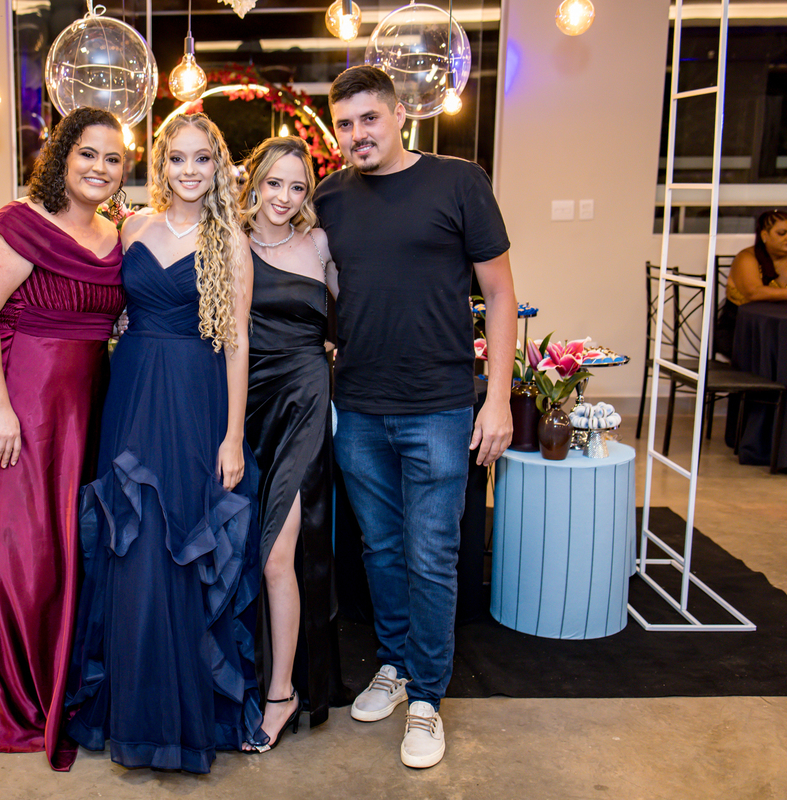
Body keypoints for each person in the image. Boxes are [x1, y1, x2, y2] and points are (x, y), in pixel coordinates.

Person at [314, 65, 516, 769]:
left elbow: (499, 294)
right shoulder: (329, 197)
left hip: (438, 405)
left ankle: (427, 696)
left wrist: (497, 398)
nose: (357, 134)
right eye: (344, 123)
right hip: (359, 406)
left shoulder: (459, 182)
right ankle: (396, 664)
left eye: (369, 118)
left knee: (432, 555)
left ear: (401, 114)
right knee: (380, 549)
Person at [0, 107, 128, 772]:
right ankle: (21, 695)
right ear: (62, 156)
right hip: (23, 410)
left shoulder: (114, 234)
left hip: (87, 412)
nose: (100, 168)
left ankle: (65, 681)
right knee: (27, 553)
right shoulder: (20, 224)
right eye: (88, 154)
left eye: (113, 159)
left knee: (75, 548)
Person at [66, 113, 263, 773]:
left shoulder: (229, 241)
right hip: (131, 393)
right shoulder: (132, 229)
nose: (189, 171)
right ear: (161, 165)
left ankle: (183, 719)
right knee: (132, 537)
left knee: (182, 541)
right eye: (177, 158)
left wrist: (233, 435)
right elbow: (104, 303)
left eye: (201, 159)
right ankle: (132, 710)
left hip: (195, 398)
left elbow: (237, 343)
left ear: (218, 167)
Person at [237, 136, 341, 752]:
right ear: (254, 182)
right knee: (244, 549)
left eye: (297, 187)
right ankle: (245, 676)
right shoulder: (229, 241)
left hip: (303, 398)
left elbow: (356, 312)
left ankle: (282, 692)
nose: (284, 197)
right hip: (242, 404)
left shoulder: (319, 244)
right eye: (274, 183)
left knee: (278, 554)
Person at [717, 210, 787, 359]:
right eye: (782, 233)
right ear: (764, 235)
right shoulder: (747, 258)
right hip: (745, 330)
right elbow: (754, 292)